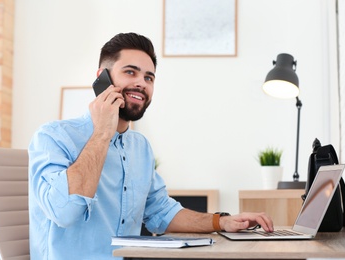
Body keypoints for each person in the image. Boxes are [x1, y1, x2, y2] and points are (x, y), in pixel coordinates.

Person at [28, 32, 273, 260]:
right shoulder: (53, 137)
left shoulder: (140, 148)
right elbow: (64, 212)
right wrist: (103, 131)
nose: (142, 83)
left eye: (149, 77)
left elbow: (162, 213)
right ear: (102, 77)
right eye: (130, 72)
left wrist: (222, 222)